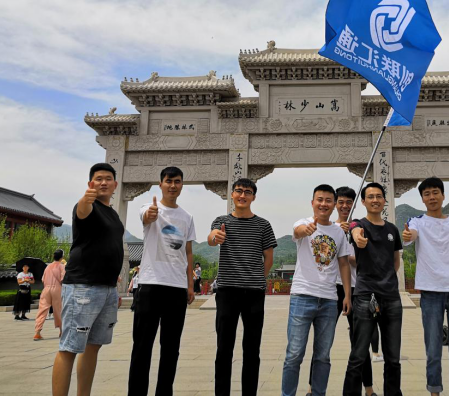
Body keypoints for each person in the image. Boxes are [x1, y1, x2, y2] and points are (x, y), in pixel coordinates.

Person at [52, 163, 124, 397]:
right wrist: (86, 198)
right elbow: (83, 210)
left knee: (93, 346)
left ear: (115, 184)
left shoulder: (113, 213)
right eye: (98, 178)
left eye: (108, 178)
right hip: (83, 287)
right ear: (90, 183)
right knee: (69, 348)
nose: (103, 182)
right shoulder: (86, 206)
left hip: (107, 288)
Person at [402, 177, 449, 396]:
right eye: (427, 194)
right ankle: (435, 391)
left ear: (443, 195)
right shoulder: (417, 222)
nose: (432, 197)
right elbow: (410, 235)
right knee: (433, 351)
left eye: (435, 192)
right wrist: (408, 235)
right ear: (422, 199)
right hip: (431, 292)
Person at [128, 166, 196, 396]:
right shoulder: (149, 208)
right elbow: (146, 216)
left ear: (182, 185)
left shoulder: (187, 217)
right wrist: (151, 214)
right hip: (150, 285)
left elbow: (188, 252)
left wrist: (190, 285)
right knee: (142, 346)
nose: (172, 185)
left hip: (176, 288)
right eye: (168, 181)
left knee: (171, 348)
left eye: (177, 181)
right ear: (160, 184)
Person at [208, 178, 277, 397]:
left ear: (253, 197)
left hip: (254, 293)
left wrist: (256, 278)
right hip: (227, 292)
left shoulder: (263, 225)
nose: (242, 195)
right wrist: (215, 236)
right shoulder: (221, 221)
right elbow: (211, 238)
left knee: (252, 349)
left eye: (248, 192)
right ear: (232, 194)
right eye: (238, 191)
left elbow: (269, 258)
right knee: (224, 348)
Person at [307, 187, 378, 397]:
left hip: (358, 288)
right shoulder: (328, 228)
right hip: (332, 289)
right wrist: (339, 233)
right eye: (341, 202)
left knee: (360, 342)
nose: (345, 206)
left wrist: (349, 249)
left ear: (355, 204)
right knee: (322, 342)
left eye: (349, 203)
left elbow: (365, 260)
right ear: (335, 204)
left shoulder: (360, 228)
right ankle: (312, 388)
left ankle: (369, 389)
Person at [281, 185, 352, 397]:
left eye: (328, 200)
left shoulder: (338, 232)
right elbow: (297, 232)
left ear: (334, 204)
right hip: (302, 296)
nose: (323, 204)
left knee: (323, 356)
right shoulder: (303, 223)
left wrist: (347, 295)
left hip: (329, 300)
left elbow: (344, 264)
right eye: (319, 199)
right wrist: (306, 230)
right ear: (312, 202)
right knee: (294, 354)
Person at [343, 183, 403, 397]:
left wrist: (386, 278)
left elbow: (395, 260)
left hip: (391, 298)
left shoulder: (392, 229)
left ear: (384, 200)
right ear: (363, 201)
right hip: (365, 296)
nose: (375, 200)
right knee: (358, 355)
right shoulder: (359, 225)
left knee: (393, 358)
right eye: (370, 197)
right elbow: (353, 227)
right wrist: (357, 235)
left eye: (379, 196)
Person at [34, 249, 66, 340]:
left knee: (42, 309)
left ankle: (37, 332)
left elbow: (43, 279)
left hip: (46, 289)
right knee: (59, 310)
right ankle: (61, 331)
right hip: (57, 289)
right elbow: (63, 279)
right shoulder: (61, 266)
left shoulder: (48, 267)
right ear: (62, 257)